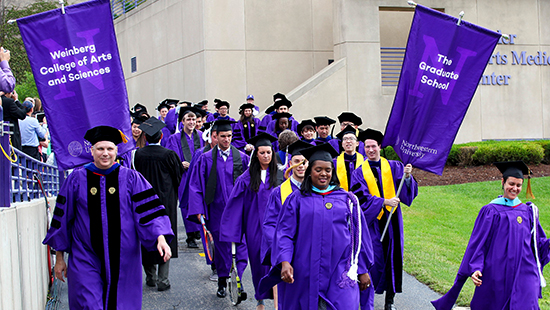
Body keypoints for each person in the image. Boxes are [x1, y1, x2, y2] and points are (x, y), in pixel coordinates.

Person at [43, 125, 173, 309]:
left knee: (121, 304)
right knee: (88, 303)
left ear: (116, 151)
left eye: (110, 149)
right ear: (92, 151)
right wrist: (60, 258)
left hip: (124, 257)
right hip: (85, 255)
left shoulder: (131, 179)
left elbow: (149, 211)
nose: (105, 153)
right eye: (100, 149)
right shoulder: (76, 179)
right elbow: (63, 220)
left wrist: (160, 236)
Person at [263, 142, 373, 310]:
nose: (323, 174)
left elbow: (359, 238)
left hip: (339, 271)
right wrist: (284, 261)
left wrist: (363, 270)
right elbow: (285, 233)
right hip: (304, 270)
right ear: (310, 172)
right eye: (318, 169)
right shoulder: (297, 199)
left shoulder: (347, 200)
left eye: (328, 170)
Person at [432, 161, 550, 310]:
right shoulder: (491, 211)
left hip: (524, 272)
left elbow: (537, 244)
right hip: (497, 272)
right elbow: (479, 244)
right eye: (511, 184)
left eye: (519, 185)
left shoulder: (528, 212)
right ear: (503, 182)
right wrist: (476, 267)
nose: (515, 188)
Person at [349, 128, 418, 310]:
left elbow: (406, 191)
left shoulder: (394, 166)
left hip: (393, 221)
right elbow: (360, 198)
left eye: (373, 146)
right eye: (367, 147)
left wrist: (408, 176)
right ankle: (367, 299)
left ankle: (390, 301)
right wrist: (383, 202)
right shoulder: (359, 172)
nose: (370, 150)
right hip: (372, 222)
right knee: (373, 259)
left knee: (393, 260)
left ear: (380, 147)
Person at [187, 119, 250, 298]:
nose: (226, 140)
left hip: (238, 212)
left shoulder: (242, 158)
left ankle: (238, 279)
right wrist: (199, 210)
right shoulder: (205, 159)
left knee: (241, 246)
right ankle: (222, 280)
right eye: (223, 136)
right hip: (217, 211)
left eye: (229, 136)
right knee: (222, 248)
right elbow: (196, 186)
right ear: (215, 137)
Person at [221, 132, 282, 309]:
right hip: (255, 228)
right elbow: (235, 206)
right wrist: (233, 231)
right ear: (256, 154)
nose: (266, 156)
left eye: (269, 152)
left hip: (277, 227)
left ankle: (279, 300)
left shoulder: (279, 176)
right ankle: (260, 299)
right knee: (258, 262)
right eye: (262, 153)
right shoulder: (246, 179)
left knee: (279, 262)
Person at [134, 117, 185, 291]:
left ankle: (150, 276)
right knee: (165, 234)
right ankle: (163, 279)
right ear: (161, 136)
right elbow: (177, 176)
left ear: (146, 138)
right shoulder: (169, 155)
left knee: (147, 233)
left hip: (144, 200)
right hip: (165, 201)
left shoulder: (138, 154)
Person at [261, 140, 311, 266]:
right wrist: (280, 250)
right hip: (284, 252)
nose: (300, 165)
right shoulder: (279, 192)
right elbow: (270, 224)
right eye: (296, 161)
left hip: (309, 252)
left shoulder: (315, 192)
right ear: (290, 163)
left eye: (304, 162)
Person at [165, 106, 205, 248]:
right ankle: (190, 237)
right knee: (186, 203)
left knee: (198, 201)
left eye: (194, 119)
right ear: (182, 122)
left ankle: (197, 231)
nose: (192, 122)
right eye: (188, 119)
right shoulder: (174, 138)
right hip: (184, 175)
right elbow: (172, 155)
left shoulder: (200, 135)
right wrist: (180, 163)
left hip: (198, 174)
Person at [334, 125, 364, 191]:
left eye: (351, 138)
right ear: (342, 144)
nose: (348, 141)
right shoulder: (334, 162)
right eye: (345, 139)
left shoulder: (365, 162)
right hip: (341, 197)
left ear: (357, 143)